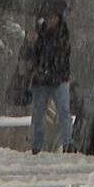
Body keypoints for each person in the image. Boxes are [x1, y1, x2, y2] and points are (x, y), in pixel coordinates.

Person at [28, 8, 73, 154]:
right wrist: (33, 42)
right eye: (47, 17)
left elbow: (62, 55)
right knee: (39, 113)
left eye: (52, 16)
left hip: (58, 78)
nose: (50, 20)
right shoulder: (39, 34)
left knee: (64, 111)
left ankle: (68, 143)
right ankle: (36, 145)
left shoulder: (62, 34)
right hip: (42, 79)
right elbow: (32, 57)